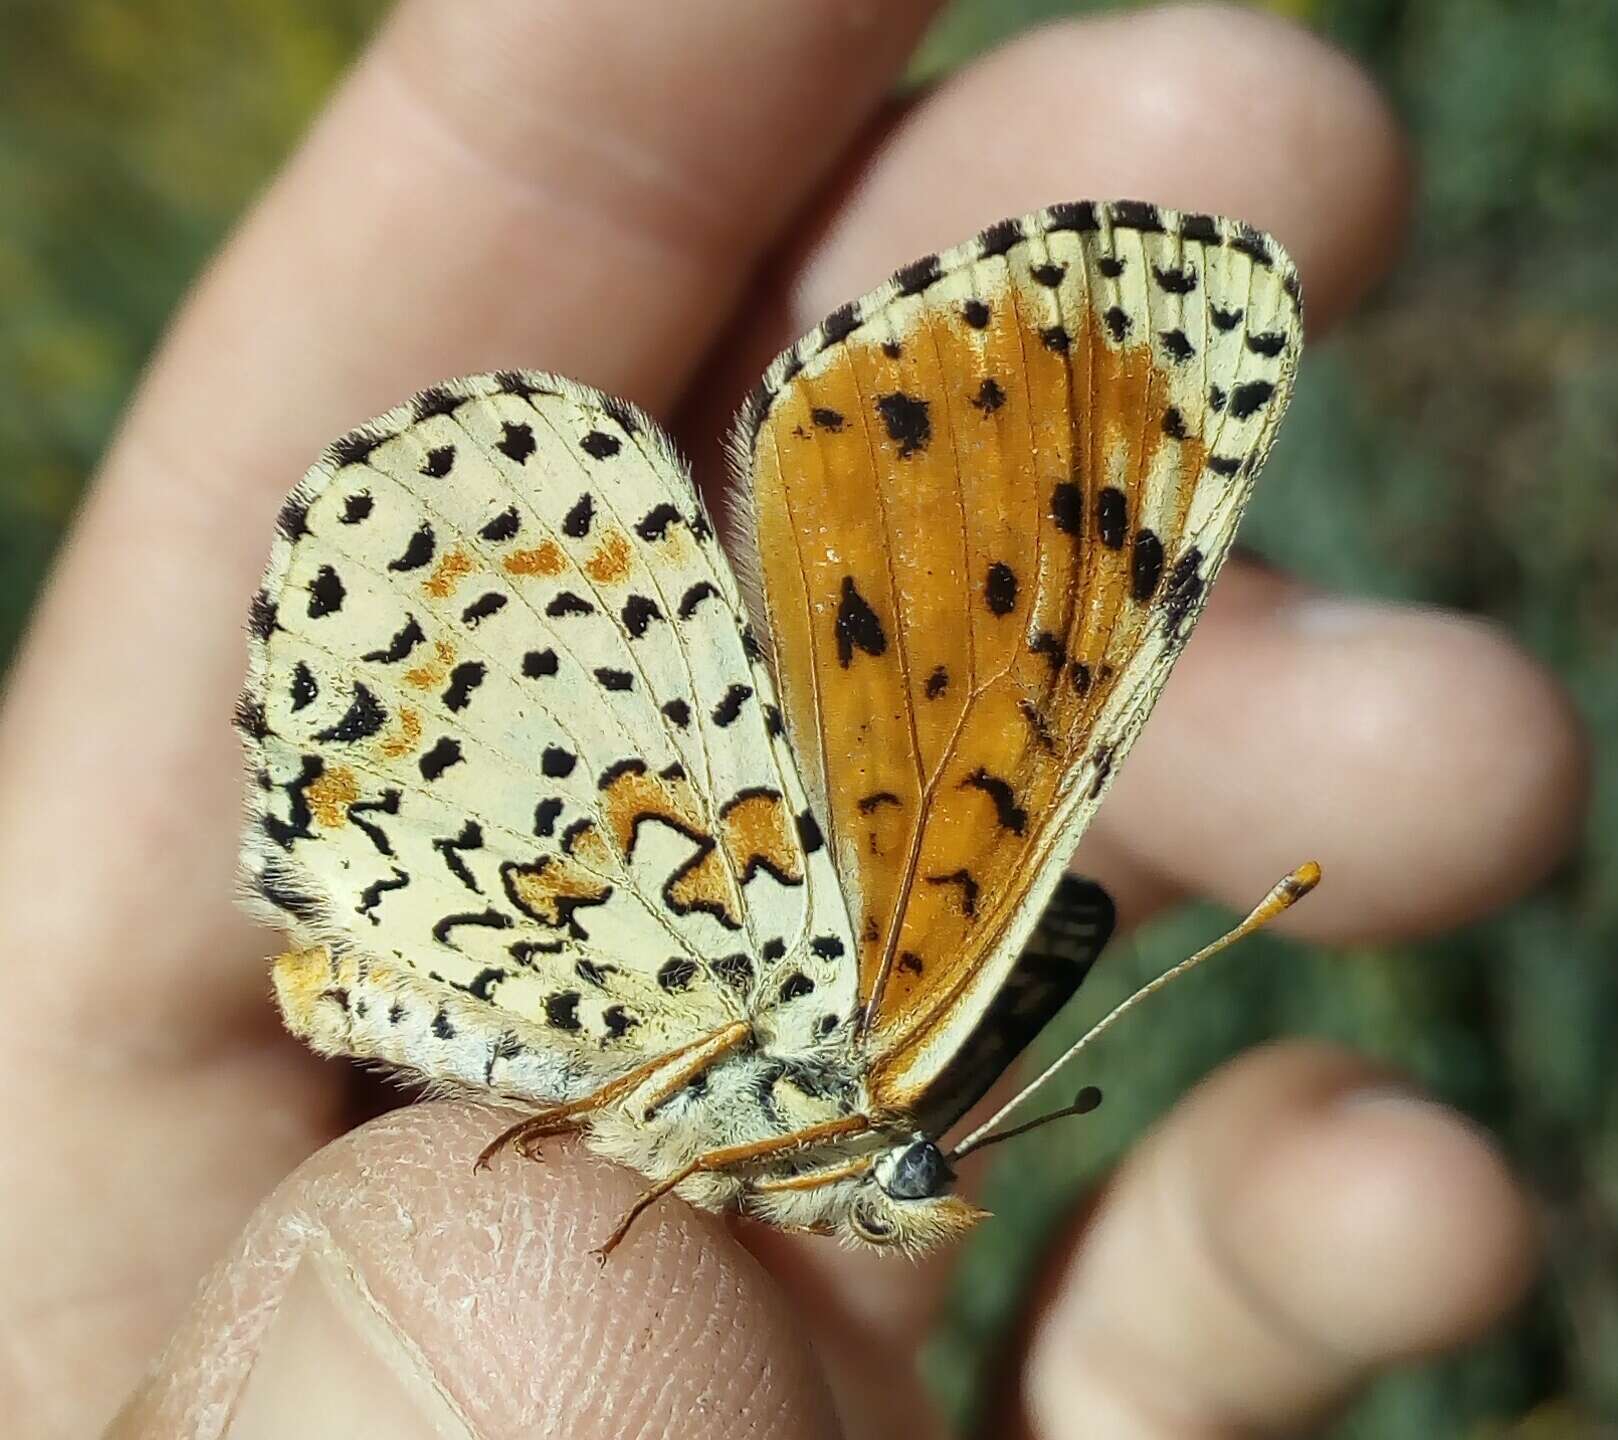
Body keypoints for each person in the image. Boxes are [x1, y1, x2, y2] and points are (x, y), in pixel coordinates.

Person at [0, 4, 1586, 1436]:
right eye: (915, 1175)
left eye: (922, 1174)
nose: (936, 1191)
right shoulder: (869, 1030)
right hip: (530, 780)